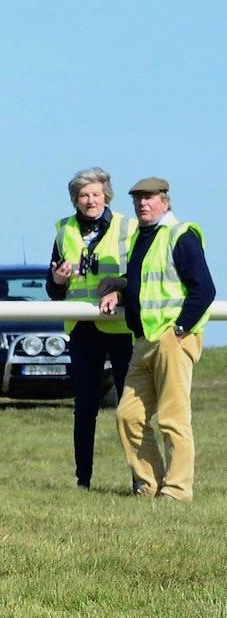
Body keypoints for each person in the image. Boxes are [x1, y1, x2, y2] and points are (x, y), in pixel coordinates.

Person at [99, 176, 215, 500]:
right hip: (144, 339)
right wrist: (118, 289)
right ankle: (150, 485)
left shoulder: (181, 234)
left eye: (148, 198)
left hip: (170, 337)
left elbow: (204, 289)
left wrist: (179, 330)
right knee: (128, 415)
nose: (141, 204)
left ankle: (177, 491)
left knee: (173, 418)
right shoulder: (142, 236)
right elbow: (142, 282)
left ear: (165, 200)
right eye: (137, 199)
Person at [46, 167, 135, 489]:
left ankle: (139, 478)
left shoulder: (129, 227)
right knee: (84, 407)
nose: (90, 201)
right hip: (83, 330)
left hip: (121, 329)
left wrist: (119, 291)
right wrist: (57, 279)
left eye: (96, 194)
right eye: (83, 195)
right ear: (75, 200)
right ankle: (82, 480)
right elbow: (53, 289)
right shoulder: (63, 230)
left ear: (106, 196)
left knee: (130, 408)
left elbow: (136, 277)